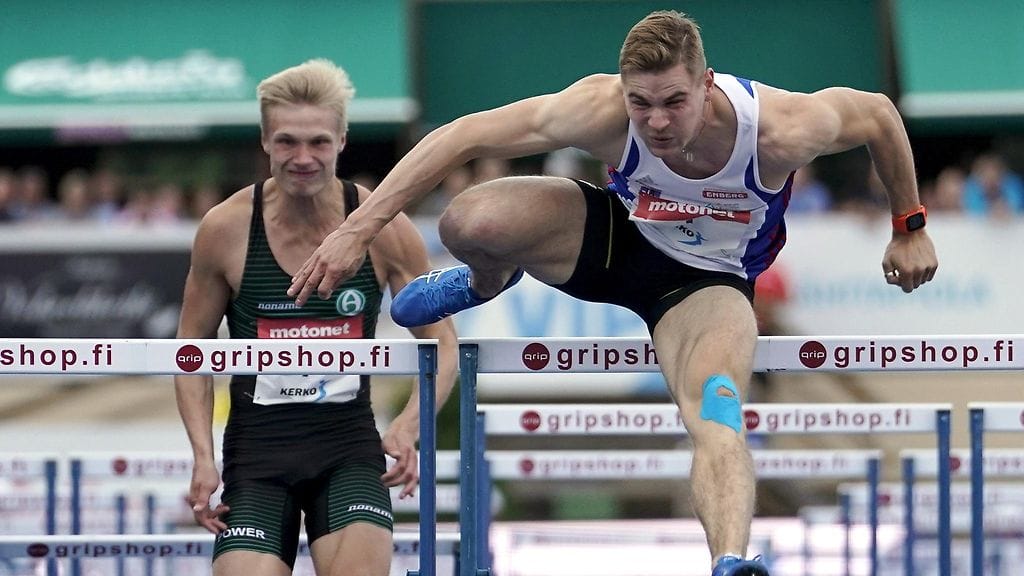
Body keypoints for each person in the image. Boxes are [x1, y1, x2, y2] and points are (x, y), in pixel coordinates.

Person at [288, 11, 937, 576]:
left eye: (674, 102)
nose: (656, 122)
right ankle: (487, 279)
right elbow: (462, 135)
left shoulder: (780, 129)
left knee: (715, 411)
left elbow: (879, 114)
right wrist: (355, 232)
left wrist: (909, 225)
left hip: (704, 282)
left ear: (707, 84)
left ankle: (729, 559)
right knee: (469, 220)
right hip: (612, 239)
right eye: (640, 103)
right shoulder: (600, 109)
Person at [174, 59, 457, 576]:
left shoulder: (382, 226)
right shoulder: (225, 228)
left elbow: (442, 341)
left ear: (342, 141)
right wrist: (202, 456)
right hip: (257, 457)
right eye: (287, 142)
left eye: (318, 143)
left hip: (348, 451)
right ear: (265, 141)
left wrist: (408, 427)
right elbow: (191, 351)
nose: (303, 158)